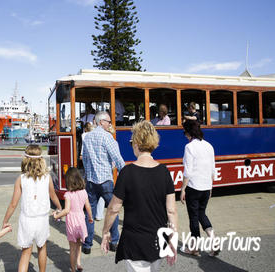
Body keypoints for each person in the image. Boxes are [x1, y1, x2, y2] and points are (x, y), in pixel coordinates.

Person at [101, 120, 178, 272]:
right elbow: (171, 211)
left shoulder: (127, 173)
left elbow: (113, 209)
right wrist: (172, 240)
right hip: (159, 240)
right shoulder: (164, 172)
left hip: (134, 241)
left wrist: (105, 232)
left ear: (136, 143)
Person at [2, 145, 62, 272]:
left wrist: (5, 220)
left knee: (26, 253)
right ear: (41, 159)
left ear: (26, 160)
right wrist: (59, 207)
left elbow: (13, 203)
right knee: (42, 248)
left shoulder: (21, 179)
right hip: (42, 219)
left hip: (27, 220)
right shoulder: (47, 178)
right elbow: (53, 196)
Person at [82, 111, 125, 254]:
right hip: (105, 180)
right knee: (112, 211)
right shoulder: (107, 137)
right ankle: (114, 242)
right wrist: (125, 177)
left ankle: (87, 245)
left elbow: (86, 160)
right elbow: (118, 159)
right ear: (101, 122)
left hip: (91, 182)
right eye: (108, 121)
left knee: (89, 213)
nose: (110, 124)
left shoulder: (87, 137)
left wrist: (87, 177)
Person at [180, 120, 218, 257]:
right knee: (202, 213)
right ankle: (214, 241)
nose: (184, 135)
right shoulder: (209, 146)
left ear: (189, 133)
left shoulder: (189, 147)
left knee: (194, 218)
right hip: (206, 186)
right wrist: (211, 186)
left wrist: (183, 189)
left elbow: (188, 171)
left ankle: (194, 248)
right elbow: (213, 169)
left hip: (193, 187)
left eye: (185, 132)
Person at [53, 167, 93, 272]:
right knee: (79, 244)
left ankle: (73, 269)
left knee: (72, 248)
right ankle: (79, 263)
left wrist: (57, 216)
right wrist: (90, 217)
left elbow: (66, 210)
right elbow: (88, 206)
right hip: (81, 221)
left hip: (71, 223)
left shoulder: (68, 195)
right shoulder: (84, 192)